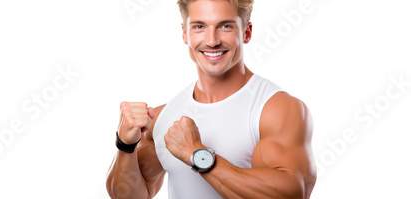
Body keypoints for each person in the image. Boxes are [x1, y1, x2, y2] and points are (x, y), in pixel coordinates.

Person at [106, 0, 316, 198]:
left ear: (246, 32)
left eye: (225, 26)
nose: (212, 41)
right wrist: (125, 145)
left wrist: (196, 154)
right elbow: (131, 195)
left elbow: (294, 192)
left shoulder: (275, 108)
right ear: (185, 33)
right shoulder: (163, 117)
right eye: (199, 26)